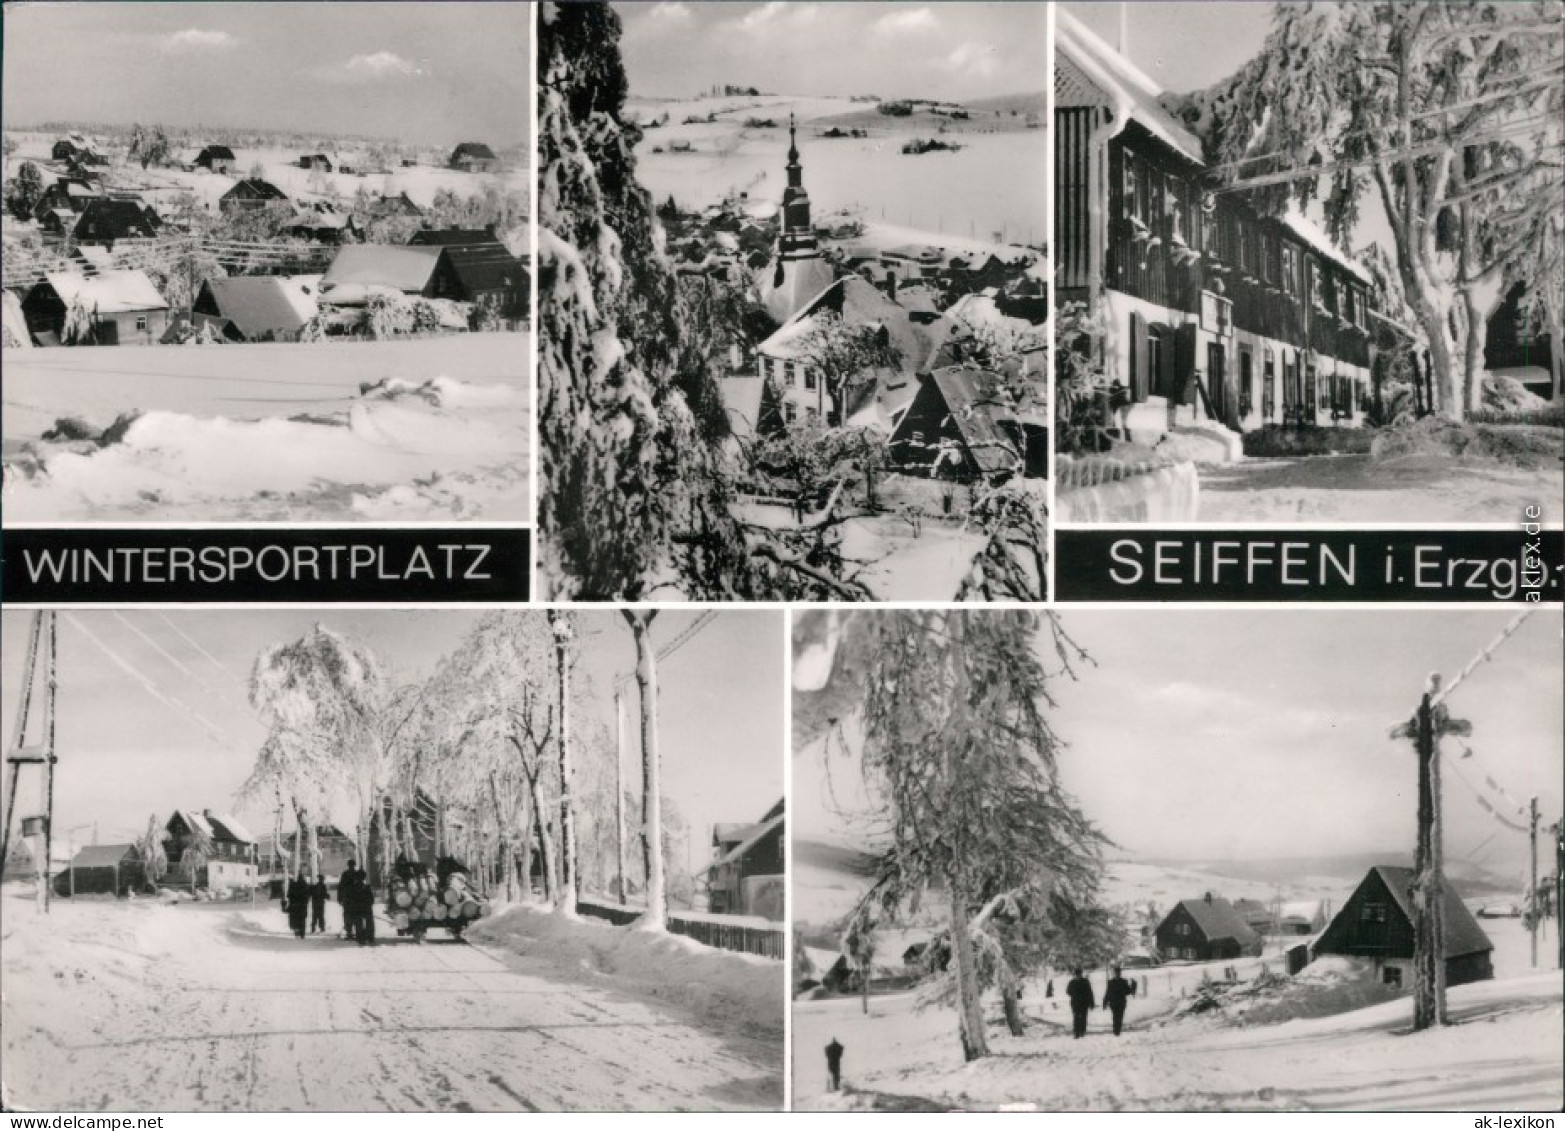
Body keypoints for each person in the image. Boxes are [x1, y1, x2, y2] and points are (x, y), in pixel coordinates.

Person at [1066, 967, 1095, 1039]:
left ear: (1081, 974)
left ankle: (1082, 1031)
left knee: (1083, 1017)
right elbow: (1068, 991)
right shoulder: (1072, 982)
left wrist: (1091, 1003)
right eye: (1076, 974)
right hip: (1075, 1003)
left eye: (1079, 974)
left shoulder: (1085, 981)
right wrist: (1074, 994)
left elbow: (1089, 992)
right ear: (1075, 975)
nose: (1078, 975)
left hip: (1084, 1003)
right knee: (1076, 1017)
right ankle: (1076, 1032)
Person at [351, 863, 376, 946]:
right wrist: (370, 904)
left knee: (359, 923)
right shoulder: (367, 887)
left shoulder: (354, 888)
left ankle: (361, 938)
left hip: (358, 907)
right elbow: (371, 898)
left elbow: (352, 899)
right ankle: (370, 937)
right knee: (369, 922)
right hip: (366, 907)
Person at [1104, 966, 1131, 1037]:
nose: (1117, 974)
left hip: (1121, 1002)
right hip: (1113, 1003)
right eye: (1116, 973)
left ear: (1120, 973)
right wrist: (1105, 1002)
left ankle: (1118, 1030)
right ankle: (1116, 1031)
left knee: (1120, 1016)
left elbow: (1128, 991)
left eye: (1118, 973)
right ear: (1114, 973)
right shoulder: (1110, 982)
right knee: (1115, 1016)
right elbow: (1108, 993)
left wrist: (1131, 987)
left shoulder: (1123, 981)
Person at [337, 861, 360, 941]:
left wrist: (340, 898)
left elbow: (340, 887)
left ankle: (350, 933)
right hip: (354, 899)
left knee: (348, 916)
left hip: (348, 899)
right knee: (355, 915)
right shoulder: (356, 874)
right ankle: (355, 933)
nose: (351, 866)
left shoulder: (345, 874)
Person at [285, 871, 310, 939]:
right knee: (302, 920)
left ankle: (297, 931)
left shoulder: (294, 886)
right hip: (302, 906)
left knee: (296, 919)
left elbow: (289, 895)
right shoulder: (305, 886)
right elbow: (307, 896)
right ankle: (302, 933)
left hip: (295, 906)